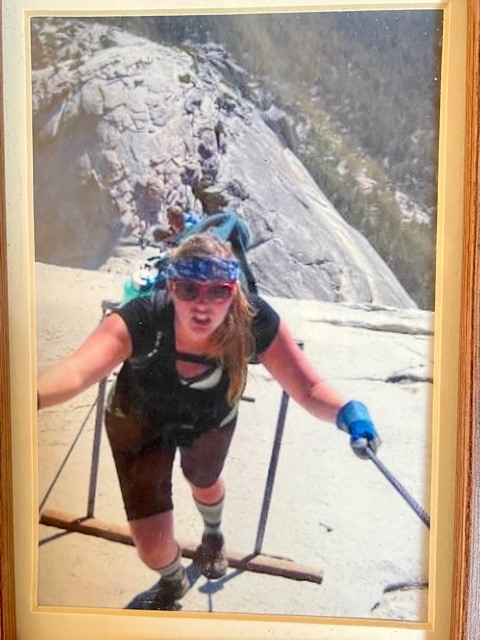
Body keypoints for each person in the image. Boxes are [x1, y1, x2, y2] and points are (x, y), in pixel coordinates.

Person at [37, 233, 380, 609]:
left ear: (232, 291)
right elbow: (75, 371)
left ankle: (212, 534)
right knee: (151, 546)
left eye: (216, 292)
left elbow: (308, 387)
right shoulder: (143, 317)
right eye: (188, 289)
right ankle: (172, 581)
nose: (202, 305)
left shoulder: (254, 322)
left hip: (207, 418)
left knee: (203, 479)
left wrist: (351, 413)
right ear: (170, 285)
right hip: (140, 421)